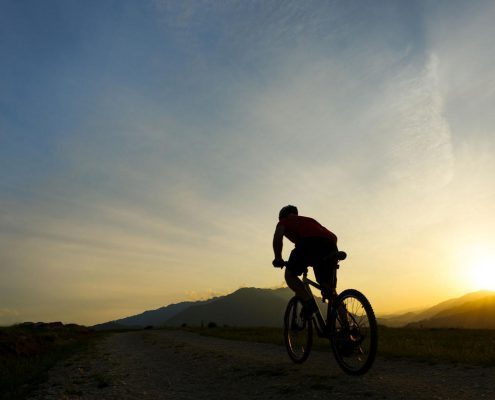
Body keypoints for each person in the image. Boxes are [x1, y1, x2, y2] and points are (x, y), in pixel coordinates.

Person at [272, 205, 338, 317]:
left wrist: (278, 258)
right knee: (329, 289)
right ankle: (348, 326)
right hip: (330, 246)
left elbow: (278, 236)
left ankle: (308, 303)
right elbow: (334, 237)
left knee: (290, 275)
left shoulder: (284, 221)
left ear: (282, 217)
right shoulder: (309, 220)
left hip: (308, 243)